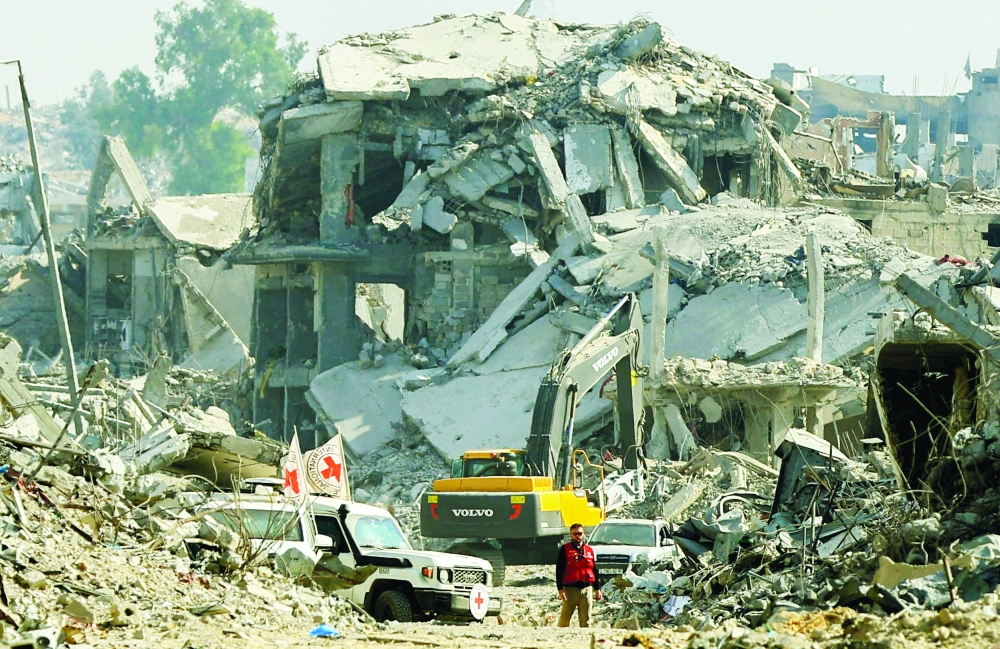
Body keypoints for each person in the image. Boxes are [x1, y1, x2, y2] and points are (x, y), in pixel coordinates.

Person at [555, 523, 601, 627]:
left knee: (586, 621)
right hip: (570, 590)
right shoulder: (565, 549)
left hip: (587, 589)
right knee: (564, 620)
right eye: (574, 534)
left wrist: (597, 589)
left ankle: (584, 637)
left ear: (584, 534)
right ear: (571, 535)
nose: (577, 536)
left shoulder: (589, 550)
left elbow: (594, 569)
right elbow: (559, 570)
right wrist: (560, 589)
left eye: (580, 533)